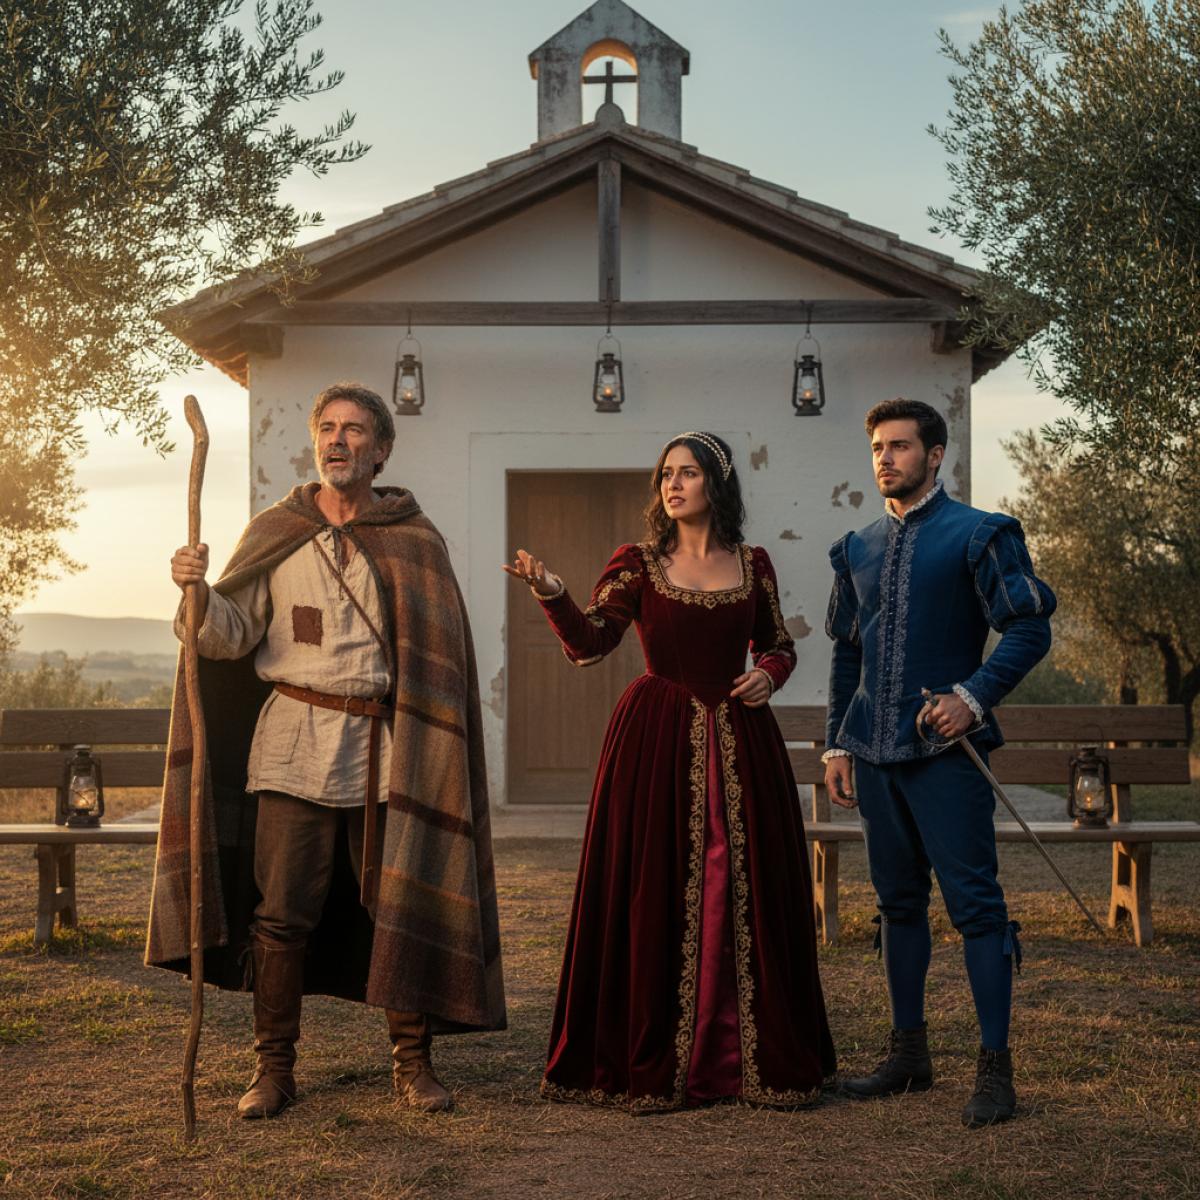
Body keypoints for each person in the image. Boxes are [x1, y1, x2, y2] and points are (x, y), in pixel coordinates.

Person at [146, 382, 505, 1119]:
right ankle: (273, 1071)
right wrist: (197, 596)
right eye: (327, 429)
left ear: (381, 450)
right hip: (293, 746)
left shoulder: (415, 538)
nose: (339, 441)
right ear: (316, 442)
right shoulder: (277, 531)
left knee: (395, 902)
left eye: (355, 430)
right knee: (281, 914)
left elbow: (436, 660)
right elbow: (231, 635)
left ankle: (412, 1065)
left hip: (384, 747)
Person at [504, 432, 836, 1111]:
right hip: (655, 742)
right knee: (654, 886)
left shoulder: (754, 564)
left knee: (746, 887)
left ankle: (746, 1057)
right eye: (665, 475)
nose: (672, 485)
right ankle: (654, 1055)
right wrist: (553, 590)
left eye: (687, 473)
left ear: (716, 483)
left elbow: (776, 643)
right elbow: (590, 642)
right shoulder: (637, 563)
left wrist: (769, 674)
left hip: (743, 744)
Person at [823, 397, 1056, 1128]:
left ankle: (994, 1068)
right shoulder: (855, 546)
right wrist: (836, 740)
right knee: (897, 906)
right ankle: (908, 1054)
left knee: (977, 908)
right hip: (877, 754)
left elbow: (1027, 627)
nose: (885, 459)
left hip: (947, 753)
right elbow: (846, 652)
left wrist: (971, 697)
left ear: (935, 454)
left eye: (899, 446)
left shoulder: (980, 533)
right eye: (877, 449)